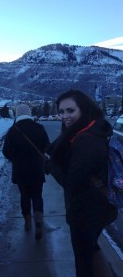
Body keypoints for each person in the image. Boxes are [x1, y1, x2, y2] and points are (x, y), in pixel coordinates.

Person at [47, 90, 118, 277]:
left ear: (84, 109)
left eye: (70, 110)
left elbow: (73, 183)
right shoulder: (91, 130)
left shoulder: (85, 140)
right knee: (91, 249)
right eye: (61, 112)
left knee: (83, 261)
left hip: (86, 212)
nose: (65, 116)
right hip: (98, 207)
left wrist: (52, 166)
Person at [2, 104, 50, 240]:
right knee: (37, 195)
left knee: (24, 196)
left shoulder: (13, 130)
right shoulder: (39, 128)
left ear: (17, 114)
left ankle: (28, 222)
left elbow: (5, 151)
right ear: (29, 113)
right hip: (37, 169)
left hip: (20, 170)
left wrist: (15, 159)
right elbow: (47, 146)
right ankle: (38, 220)